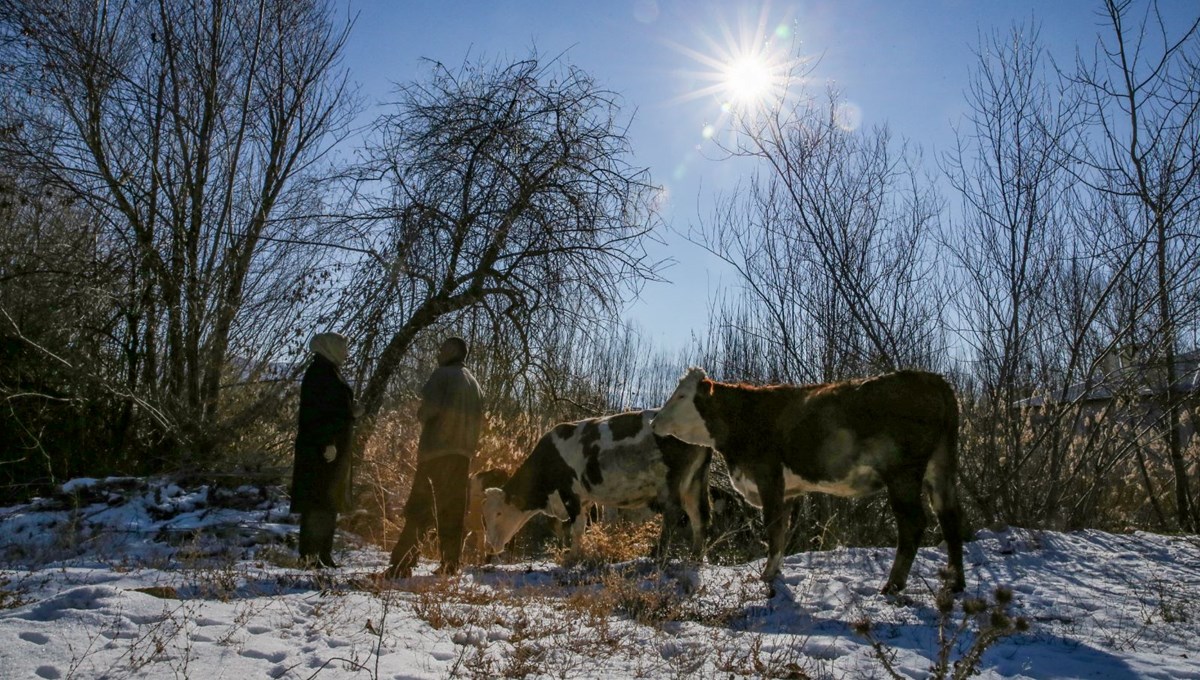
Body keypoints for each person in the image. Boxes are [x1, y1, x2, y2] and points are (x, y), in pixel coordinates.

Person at [386, 336, 484, 578]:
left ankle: (402, 563)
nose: (438, 352)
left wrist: (421, 412)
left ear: (452, 351)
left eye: (442, 348)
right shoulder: (475, 384)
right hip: (462, 457)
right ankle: (450, 564)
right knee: (452, 511)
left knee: (420, 508)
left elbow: (429, 411)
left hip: (436, 453)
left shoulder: (442, 375)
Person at [291, 332, 357, 568]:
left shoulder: (328, 371)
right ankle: (311, 556)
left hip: (330, 452)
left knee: (327, 504)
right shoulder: (319, 373)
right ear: (329, 347)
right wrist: (327, 442)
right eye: (343, 346)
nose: (346, 351)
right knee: (318, 504)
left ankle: (323, 554)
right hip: (322, 452)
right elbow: (315, 412)